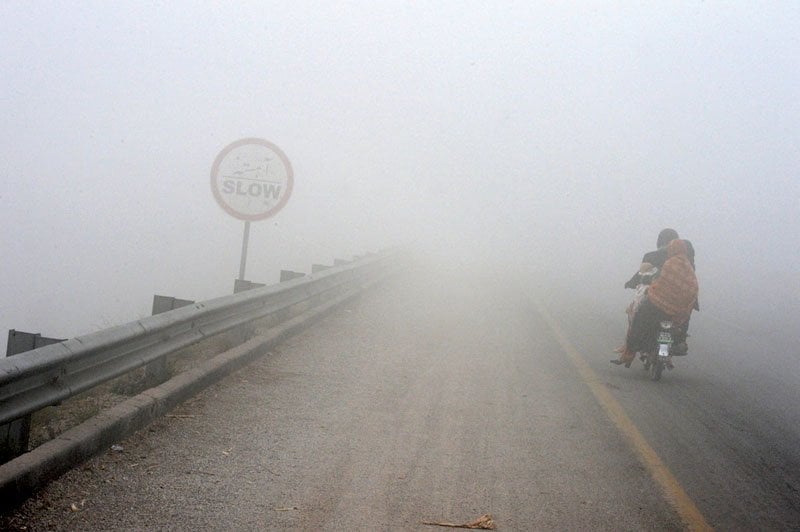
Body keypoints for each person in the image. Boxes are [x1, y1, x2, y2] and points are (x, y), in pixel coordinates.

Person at [612, 229, 699, 367]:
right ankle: (678, 342)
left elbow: (657, 280)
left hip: (660, 301)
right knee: (683, 319)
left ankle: (629, 352)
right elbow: (692, 285)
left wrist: (634, 283)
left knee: (639, 316)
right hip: (682, 305)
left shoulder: (665, 260)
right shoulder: (688, 265)